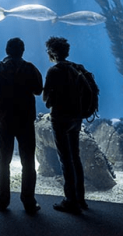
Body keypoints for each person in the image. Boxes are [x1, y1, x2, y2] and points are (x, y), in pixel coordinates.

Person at [0, 37, 43, 214]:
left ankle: (3, 200)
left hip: (4, 121)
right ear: (22, 51)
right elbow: (39, 90)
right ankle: (28, 201)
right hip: (25, 121)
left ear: (7, 50)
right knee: (28, 162)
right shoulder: (30, 68)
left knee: (3, 161)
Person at [43, 36, 88, 214]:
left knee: (65, 159)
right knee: (75, 157)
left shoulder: (54, 71)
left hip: (60, 118)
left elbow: (45, 97)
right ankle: (81, 198)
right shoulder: (76, 69)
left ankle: (70, 201)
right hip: (76, 118)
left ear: (53, 53)